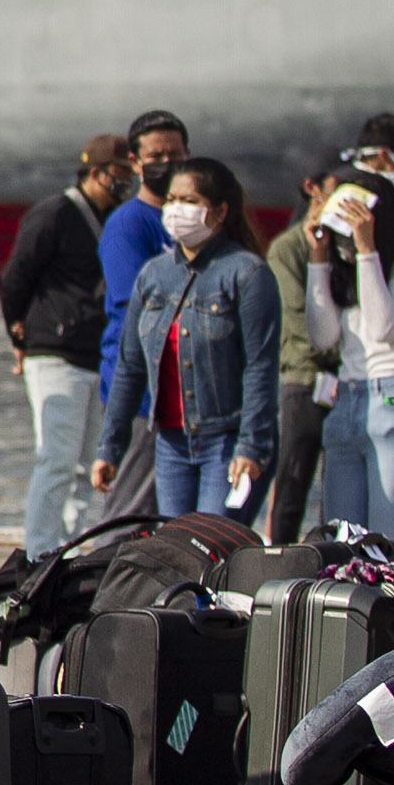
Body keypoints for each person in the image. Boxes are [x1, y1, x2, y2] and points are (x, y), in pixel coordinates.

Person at [93, 156, 279, 517]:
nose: (177, 210)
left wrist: (250, 446)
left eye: (190, 202)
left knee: (212, 546)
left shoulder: (247, 273)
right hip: (170, 444)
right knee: (177, 549)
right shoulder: (154, 275)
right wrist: (109, 448)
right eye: (173, 200)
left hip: (226, 441)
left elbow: (261, 367)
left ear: (220, 211)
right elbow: (129, 367)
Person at [0, 134, 130, 558]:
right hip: (54, 351)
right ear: (97, 172)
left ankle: (71, 550)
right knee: (56, 458)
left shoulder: (115, 218)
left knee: (86, 464)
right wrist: (19, 335)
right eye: (120, 176)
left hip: (96, 353)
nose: (124, 184)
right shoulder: (54, 214)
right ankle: (38, 552)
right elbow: (17, 276)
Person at [302, 166, 394, 537]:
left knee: (388, 550)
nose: (345, 237)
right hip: (348, 401)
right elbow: (323, 335)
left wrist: (368, 250)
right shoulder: (350, 266)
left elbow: (384, 326)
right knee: (342, 548)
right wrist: (319, 259)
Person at [262, 165, 336, 540]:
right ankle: (277, 556)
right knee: (293, 477)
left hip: (340, 379)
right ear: (312, 189)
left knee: (337, 484)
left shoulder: (341, 244)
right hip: (305, 378)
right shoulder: (288, 248)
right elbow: (295, 316)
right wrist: (338, 354)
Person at [98, 110, 192, 387]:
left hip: (186, 381)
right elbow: (135, 308)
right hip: (143, 388)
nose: (167, 164)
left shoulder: (196, 220)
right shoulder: (129, 225)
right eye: (156, 157)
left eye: (175, 156)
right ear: (135, 162)